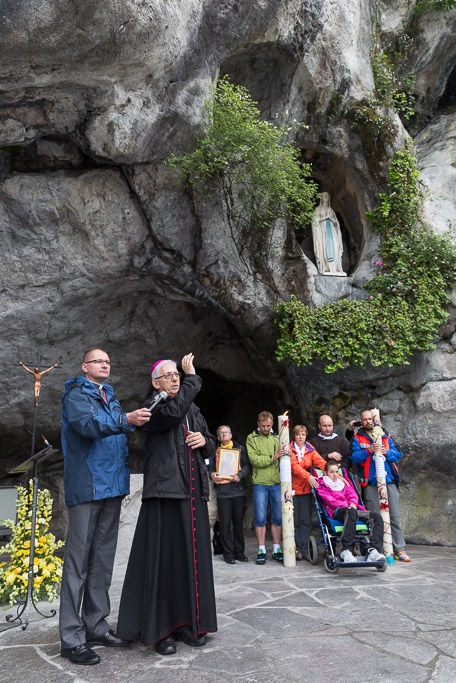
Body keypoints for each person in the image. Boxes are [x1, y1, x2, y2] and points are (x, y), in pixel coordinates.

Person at [117, 354, 217, 656]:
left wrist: (205, 440)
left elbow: (212, 443)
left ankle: (188, 623)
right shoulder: (153, 407)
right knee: (163, 562)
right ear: (155, 382)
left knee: (190, 561)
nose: (176, 378)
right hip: (165, 494)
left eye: (178, 374)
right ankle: (161, 630)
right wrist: (193, 379)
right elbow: (172, 415)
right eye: (169, 375)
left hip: (192, 494)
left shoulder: (193, 408)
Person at [59, 348, 151, 666]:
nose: (105, 364)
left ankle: (96, 626)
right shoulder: (75, 394)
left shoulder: (109, 394)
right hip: (87, 487)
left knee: (102, 561)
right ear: (84, 366)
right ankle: (71, 639)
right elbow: (88, 426)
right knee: (78, 565)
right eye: (99, 360)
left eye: (108, 361)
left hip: (111, 489)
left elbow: (114, 440)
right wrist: (125, 419)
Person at [350, 409, 411, 562]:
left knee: (395, 515)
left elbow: (398, 454)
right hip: (370, 482)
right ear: (361, 421)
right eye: (364, 419)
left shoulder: (386, 435)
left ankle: (399, 548)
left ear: (376, 420)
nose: (368, 422)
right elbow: (354, 458)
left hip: (388, 480)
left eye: (370, 419)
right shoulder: (357, 438)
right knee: (374, 517)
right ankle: (377, 549)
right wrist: (369, 451)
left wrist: (386, 452)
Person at [316, 461, 385, 563]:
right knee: (351, 511)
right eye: (331, 472)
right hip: (336, 510)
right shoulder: (321, 485)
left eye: (336, 472)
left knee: (376, 517)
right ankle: (346, 550)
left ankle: (373, 551)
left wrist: (352, 502)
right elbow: (328, 500)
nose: (335, 475)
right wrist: (347, 506)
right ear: (325, 473)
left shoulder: (343, 483)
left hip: (351, 509)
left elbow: (352, 494)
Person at [246, 411, 284, 565]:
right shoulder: (251, 438)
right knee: (260, 518)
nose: (266, 428)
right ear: (258, 424)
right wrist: (272, 457)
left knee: (277, 517)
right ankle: (261, 549)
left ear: (273, 424)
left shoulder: (278, 437)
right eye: (263, 426)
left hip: (276, 482)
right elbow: (254, 460)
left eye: (268, 425)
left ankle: (276, 549)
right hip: (260, 482)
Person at [209, 425, 251, 564]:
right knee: (225, 524)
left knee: (238, 523)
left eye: (226, 432)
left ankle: (239, 552)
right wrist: (212, 475)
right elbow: (209, 468)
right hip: (223, 493)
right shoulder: (215, 451)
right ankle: (228, 553)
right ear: (218, 437)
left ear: (231, 435)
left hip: (238, 491)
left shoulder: (240, 449)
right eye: (221, 433)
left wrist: (240, 475)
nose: (224, 435)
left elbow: (247, 466)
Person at [289, 425, 326, 561]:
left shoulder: (310, 449)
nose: (301, 437)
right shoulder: (290, 449)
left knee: (306, 520)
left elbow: (319, 461)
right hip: (294, 489)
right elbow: (294, 467)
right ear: (294, 436)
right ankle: (297, 548)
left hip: (306, 489)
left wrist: (330, 469)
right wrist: (308, 476)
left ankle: (304, 549)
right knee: (296, 521)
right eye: (298, 434)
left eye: (303, 434)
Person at [311, 192, 346, 276]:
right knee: (324, 248)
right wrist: (325, 218)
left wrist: (331, 219)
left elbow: (336, 224)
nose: (326, 197)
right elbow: (315, 222)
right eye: (324, 196)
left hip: (332, 232)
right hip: (322, 233)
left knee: (335, 247)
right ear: (321, 198)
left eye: (327, 196)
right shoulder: (317, 210)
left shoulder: (331, 210)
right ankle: (326, 268)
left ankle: (336, 268)